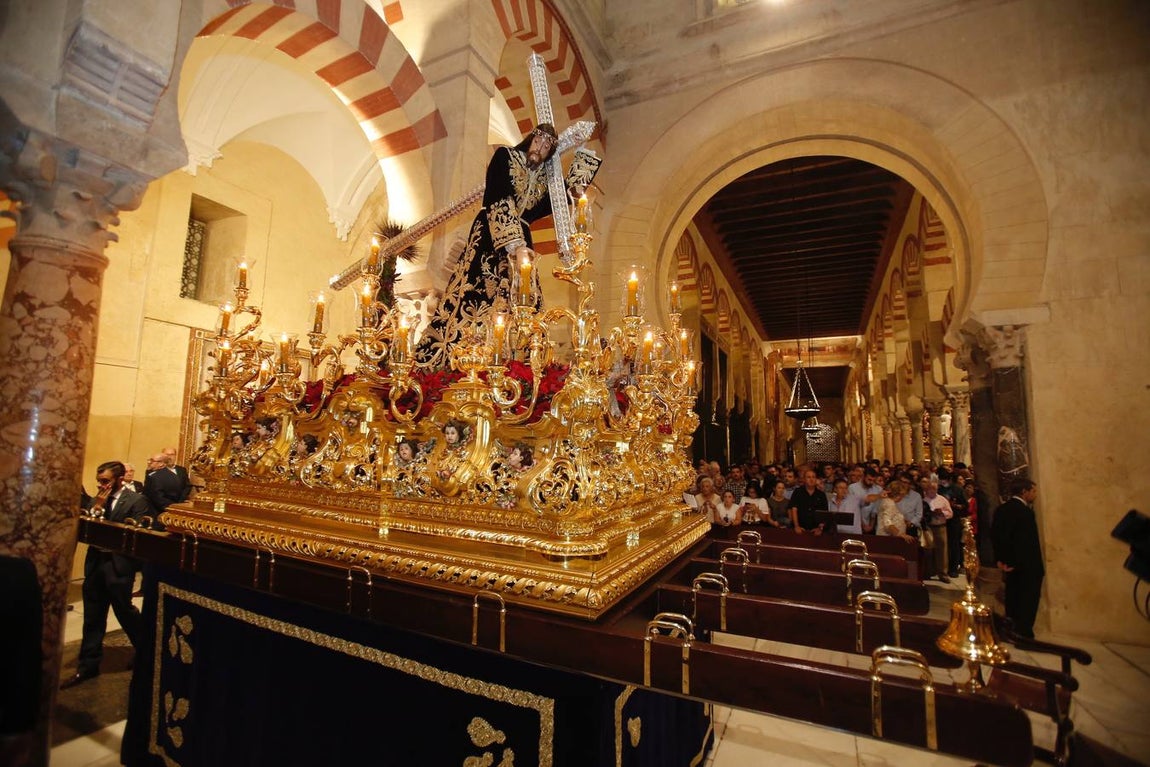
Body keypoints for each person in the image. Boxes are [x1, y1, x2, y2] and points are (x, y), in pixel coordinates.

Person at [416, 124, 602, 369]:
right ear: (531, 139)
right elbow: (499, 196)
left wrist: (579, 173)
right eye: (539, 141)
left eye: (548, 147)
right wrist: (514, 243)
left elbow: (553, 203)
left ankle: (519, 365)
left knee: (522, 301)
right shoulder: (505, 156)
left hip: (523, 237)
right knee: (477, 291)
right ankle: (462, 354)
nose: (541, 148)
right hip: (492, 233)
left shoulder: (543, 179)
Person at [62, 461, 152, 688]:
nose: (101, 485)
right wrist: (98, 506)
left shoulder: (136, 500)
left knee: (124, 611)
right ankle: (87, 666)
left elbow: (137, 534)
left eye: (105, 481)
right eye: (99, 480)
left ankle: (146, 652)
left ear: (120, 479)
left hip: (118, 566)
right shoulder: (98, 498)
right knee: (93, 615)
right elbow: (91, 524)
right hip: (96, 564)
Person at [992, 478, 1044, 638]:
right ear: (1024, 491)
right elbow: (1024, 542)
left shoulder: (1001, 509)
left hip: (1009, 564)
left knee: (1013, 596)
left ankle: (1010, 627)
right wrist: (1016, 562)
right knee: (1028, 599)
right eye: (1033, 491)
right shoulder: (1025, 512)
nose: (1035, 494)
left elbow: (996, 536)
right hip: (1026, 565)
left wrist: (1002, 560)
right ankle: (1023, 631)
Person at [789, 468, 828, 535]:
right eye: (808, 477)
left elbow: (824, 513)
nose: (811, 479)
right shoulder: (797, 492)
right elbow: (794, 509)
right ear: (804, 479)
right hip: (800, 529)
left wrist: (820, 528)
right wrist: (796, 526)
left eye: (813, 477)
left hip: (816, 530)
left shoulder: (821, 495)